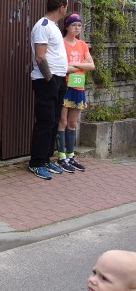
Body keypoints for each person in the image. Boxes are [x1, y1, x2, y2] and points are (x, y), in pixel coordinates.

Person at [28, 0, 69, 180]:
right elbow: (40, 56)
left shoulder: (53, 27)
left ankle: (46, 159)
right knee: (45, 121)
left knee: (54, 120)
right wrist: (50, 78)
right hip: (46, 80)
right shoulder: (42, 26)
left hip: (59, 79)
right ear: (62, 7)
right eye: (66, 6)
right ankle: (36, 163)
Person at [56, 13, 94, 172]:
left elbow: (91, 66)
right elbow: (63, 68)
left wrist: (75, 64)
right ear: (67, 26)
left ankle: (71, 155)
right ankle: (61, 157)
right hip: (65, 87)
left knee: (72, 123)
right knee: (62, 122)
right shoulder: (61, 44)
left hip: (78, 87)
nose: (77, 28)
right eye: (73, 25)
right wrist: (81, 65)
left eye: (79, 25)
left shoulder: (83, 44)